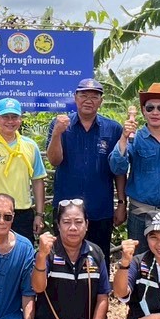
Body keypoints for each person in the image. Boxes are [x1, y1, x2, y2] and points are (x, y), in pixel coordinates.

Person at [28, 198, 118, 319]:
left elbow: (103, 297)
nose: (73, 228)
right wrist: (41, 256)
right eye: (66, 222)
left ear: (87, 225)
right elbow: (37, 287)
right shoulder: (49, 252)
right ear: (58, 226)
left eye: (78, 222)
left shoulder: (96, 253)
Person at [45, 79, 125, 255]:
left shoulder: (113, 129)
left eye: (94, 96)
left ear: (101, 101)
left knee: (98, 258)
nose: (89, 100)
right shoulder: (59, 125)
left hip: (100, 208)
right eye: (84, 95)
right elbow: (54, 161)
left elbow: (119, 170)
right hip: (66, 209)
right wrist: (57, 133)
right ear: (75, 98)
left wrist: (121, 203)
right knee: (62, 260)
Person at [110, 83, 160, 252]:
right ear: (143, 111)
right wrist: (123, 138)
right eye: (150, 108)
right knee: (138, 262)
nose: (155, 112)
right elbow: (117, 167)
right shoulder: (134, 139)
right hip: (140, 214)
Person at [0, 98, 47, 239]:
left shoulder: (30, 145)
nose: (10, 121)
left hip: (22, 212)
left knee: (22, 255)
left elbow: (37, 180)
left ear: (20, 119)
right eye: (5, 117)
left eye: (14, 117)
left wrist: (39, 214)